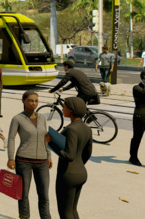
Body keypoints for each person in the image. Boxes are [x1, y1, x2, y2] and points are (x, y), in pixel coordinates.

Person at [7, 90, 52, 219]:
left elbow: (46, 137)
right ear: (23, 101)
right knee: (23, 194)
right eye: (30, 100)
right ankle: (24, 217)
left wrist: (48, 155)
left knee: (44, 195)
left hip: (42, 161)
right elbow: (11, 138)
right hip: (23, 161)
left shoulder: (42, 117)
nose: (34, 103)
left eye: (36, 101)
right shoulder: (17, 119)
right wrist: (10, 158)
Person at [45, 97, 92, 219]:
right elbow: (88, 153)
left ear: (71, 110)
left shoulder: (71, 129)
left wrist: (50, 142)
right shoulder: (87, 128)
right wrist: (79, 164)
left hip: (67, 175)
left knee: (65, 212)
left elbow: (69, 155)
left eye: (64, 107)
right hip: (81, 172)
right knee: (73, 209)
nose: (62, 109)